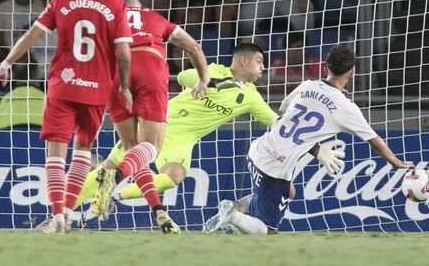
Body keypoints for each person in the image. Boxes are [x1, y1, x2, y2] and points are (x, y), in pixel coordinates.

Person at [0, 0, 134, 234]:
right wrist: (126, 86)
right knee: (83, 151)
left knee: (55, 154)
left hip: (62, 86)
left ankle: (56, 215)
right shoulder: (117, 6)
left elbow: (32, 34)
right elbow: (123, 53)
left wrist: (6, 63)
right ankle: (67, 210)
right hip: (95, 89)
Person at [204, 44, 413, 235]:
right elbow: (374, 140)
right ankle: (234, 216)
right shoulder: (347, 108)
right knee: (268, 230)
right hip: (275, 166)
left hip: (258, 150)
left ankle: (236, 207)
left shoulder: (307, 85)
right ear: (351, 73)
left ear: (325, 69)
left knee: (290, 191)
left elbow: (284, 111)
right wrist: (394, 161)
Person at [64, 43, 278, 223]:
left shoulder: (251, 97)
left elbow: (275, 121)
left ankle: (115, 195)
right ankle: (59, 213)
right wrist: (213, 83)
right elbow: (184, 76)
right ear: (243, 61)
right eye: (259, 61)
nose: (263, 67)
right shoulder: (214, 70)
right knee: (109, 168)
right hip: (157, 124)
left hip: (182, 141)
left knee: (174, 176)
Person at [89, 0, 210, 234]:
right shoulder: (154, 17)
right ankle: (116, 175)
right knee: (150, 149)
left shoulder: (108, 19)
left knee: (134, 150)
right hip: (149, 66)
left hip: (115, 72)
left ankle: (159, 210)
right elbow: (193, 47)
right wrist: (204, 78)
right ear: (140, 7)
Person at [0, 56, 44, 130]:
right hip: (40, 138)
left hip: (6, 138)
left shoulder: (2, 99)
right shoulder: (47, 97)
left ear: (13, 75)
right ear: (37, 74)